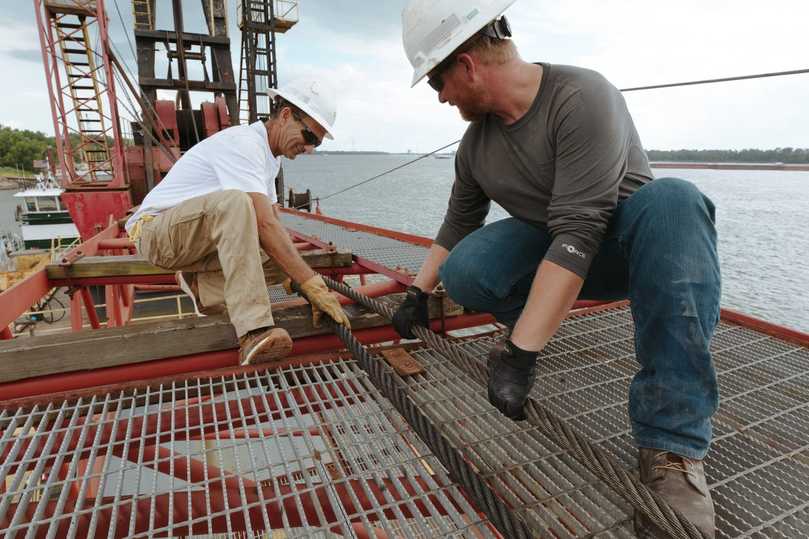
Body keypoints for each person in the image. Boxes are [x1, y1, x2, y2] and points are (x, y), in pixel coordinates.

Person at [394, 1, 720, 536]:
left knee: (676, 200)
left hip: (630, 250)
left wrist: (520, 355)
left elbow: (581, 231)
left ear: (467, 65)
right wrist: (416, 292)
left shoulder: (582, 95)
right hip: (561, 248)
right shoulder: (475, 146)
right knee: (469, 268)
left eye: (437, 81)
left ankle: (672, 449)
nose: (442, 96)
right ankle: (545, 316)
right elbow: (458, 226)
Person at [125, 77, 350, 366]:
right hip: (155, 233)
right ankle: (253, 331)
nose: (310, 149)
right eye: (310, 138)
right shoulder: (244, 144)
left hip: (190, 239)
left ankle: (203, 290)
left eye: (317, 143)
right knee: (236, 203)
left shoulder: (271, 158)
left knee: (280, 261)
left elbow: (273, 224)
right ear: (284, 115)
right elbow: (263, 223)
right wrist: (310, 283)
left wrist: (297, 278)